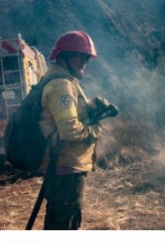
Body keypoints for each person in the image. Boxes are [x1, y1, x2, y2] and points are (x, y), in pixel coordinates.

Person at [39, 31, 104, 230]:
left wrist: (91, 108)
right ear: (64, 56)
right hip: (65, 168)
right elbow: (69, 130)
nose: (84, 61)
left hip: (63, 167)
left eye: (87, 57)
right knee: (65, 224)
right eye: (80, 56)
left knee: (59, 222)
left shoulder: (63, 81)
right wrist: (94, 131)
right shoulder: (61, 85)